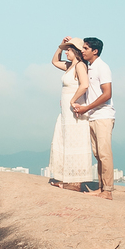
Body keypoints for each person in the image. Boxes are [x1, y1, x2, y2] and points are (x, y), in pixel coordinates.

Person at [47, 39, 95, 191]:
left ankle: (75, 183)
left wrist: (73, 100)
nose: (65, 52)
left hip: (74, 109)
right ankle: (66, 179)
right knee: (64, 140)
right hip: (66, 111)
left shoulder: (80, 66)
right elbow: (54, 61)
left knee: (75, 141)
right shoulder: (69, 66)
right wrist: (59, 46)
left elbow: (85, 84)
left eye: (68, 50)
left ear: (75, 51)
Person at [71, 37, 114, 199]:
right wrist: (69, 42)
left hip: (103, 115)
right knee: (98, 154)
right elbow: (71, 58)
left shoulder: (102, 67)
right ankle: (102, 188)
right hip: (93, 116)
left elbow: (107, 94)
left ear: (94, 51)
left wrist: (86, 108)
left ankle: (108, 191)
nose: (82, 51)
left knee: (104, 154)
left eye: (86, 48)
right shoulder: (90, 67)